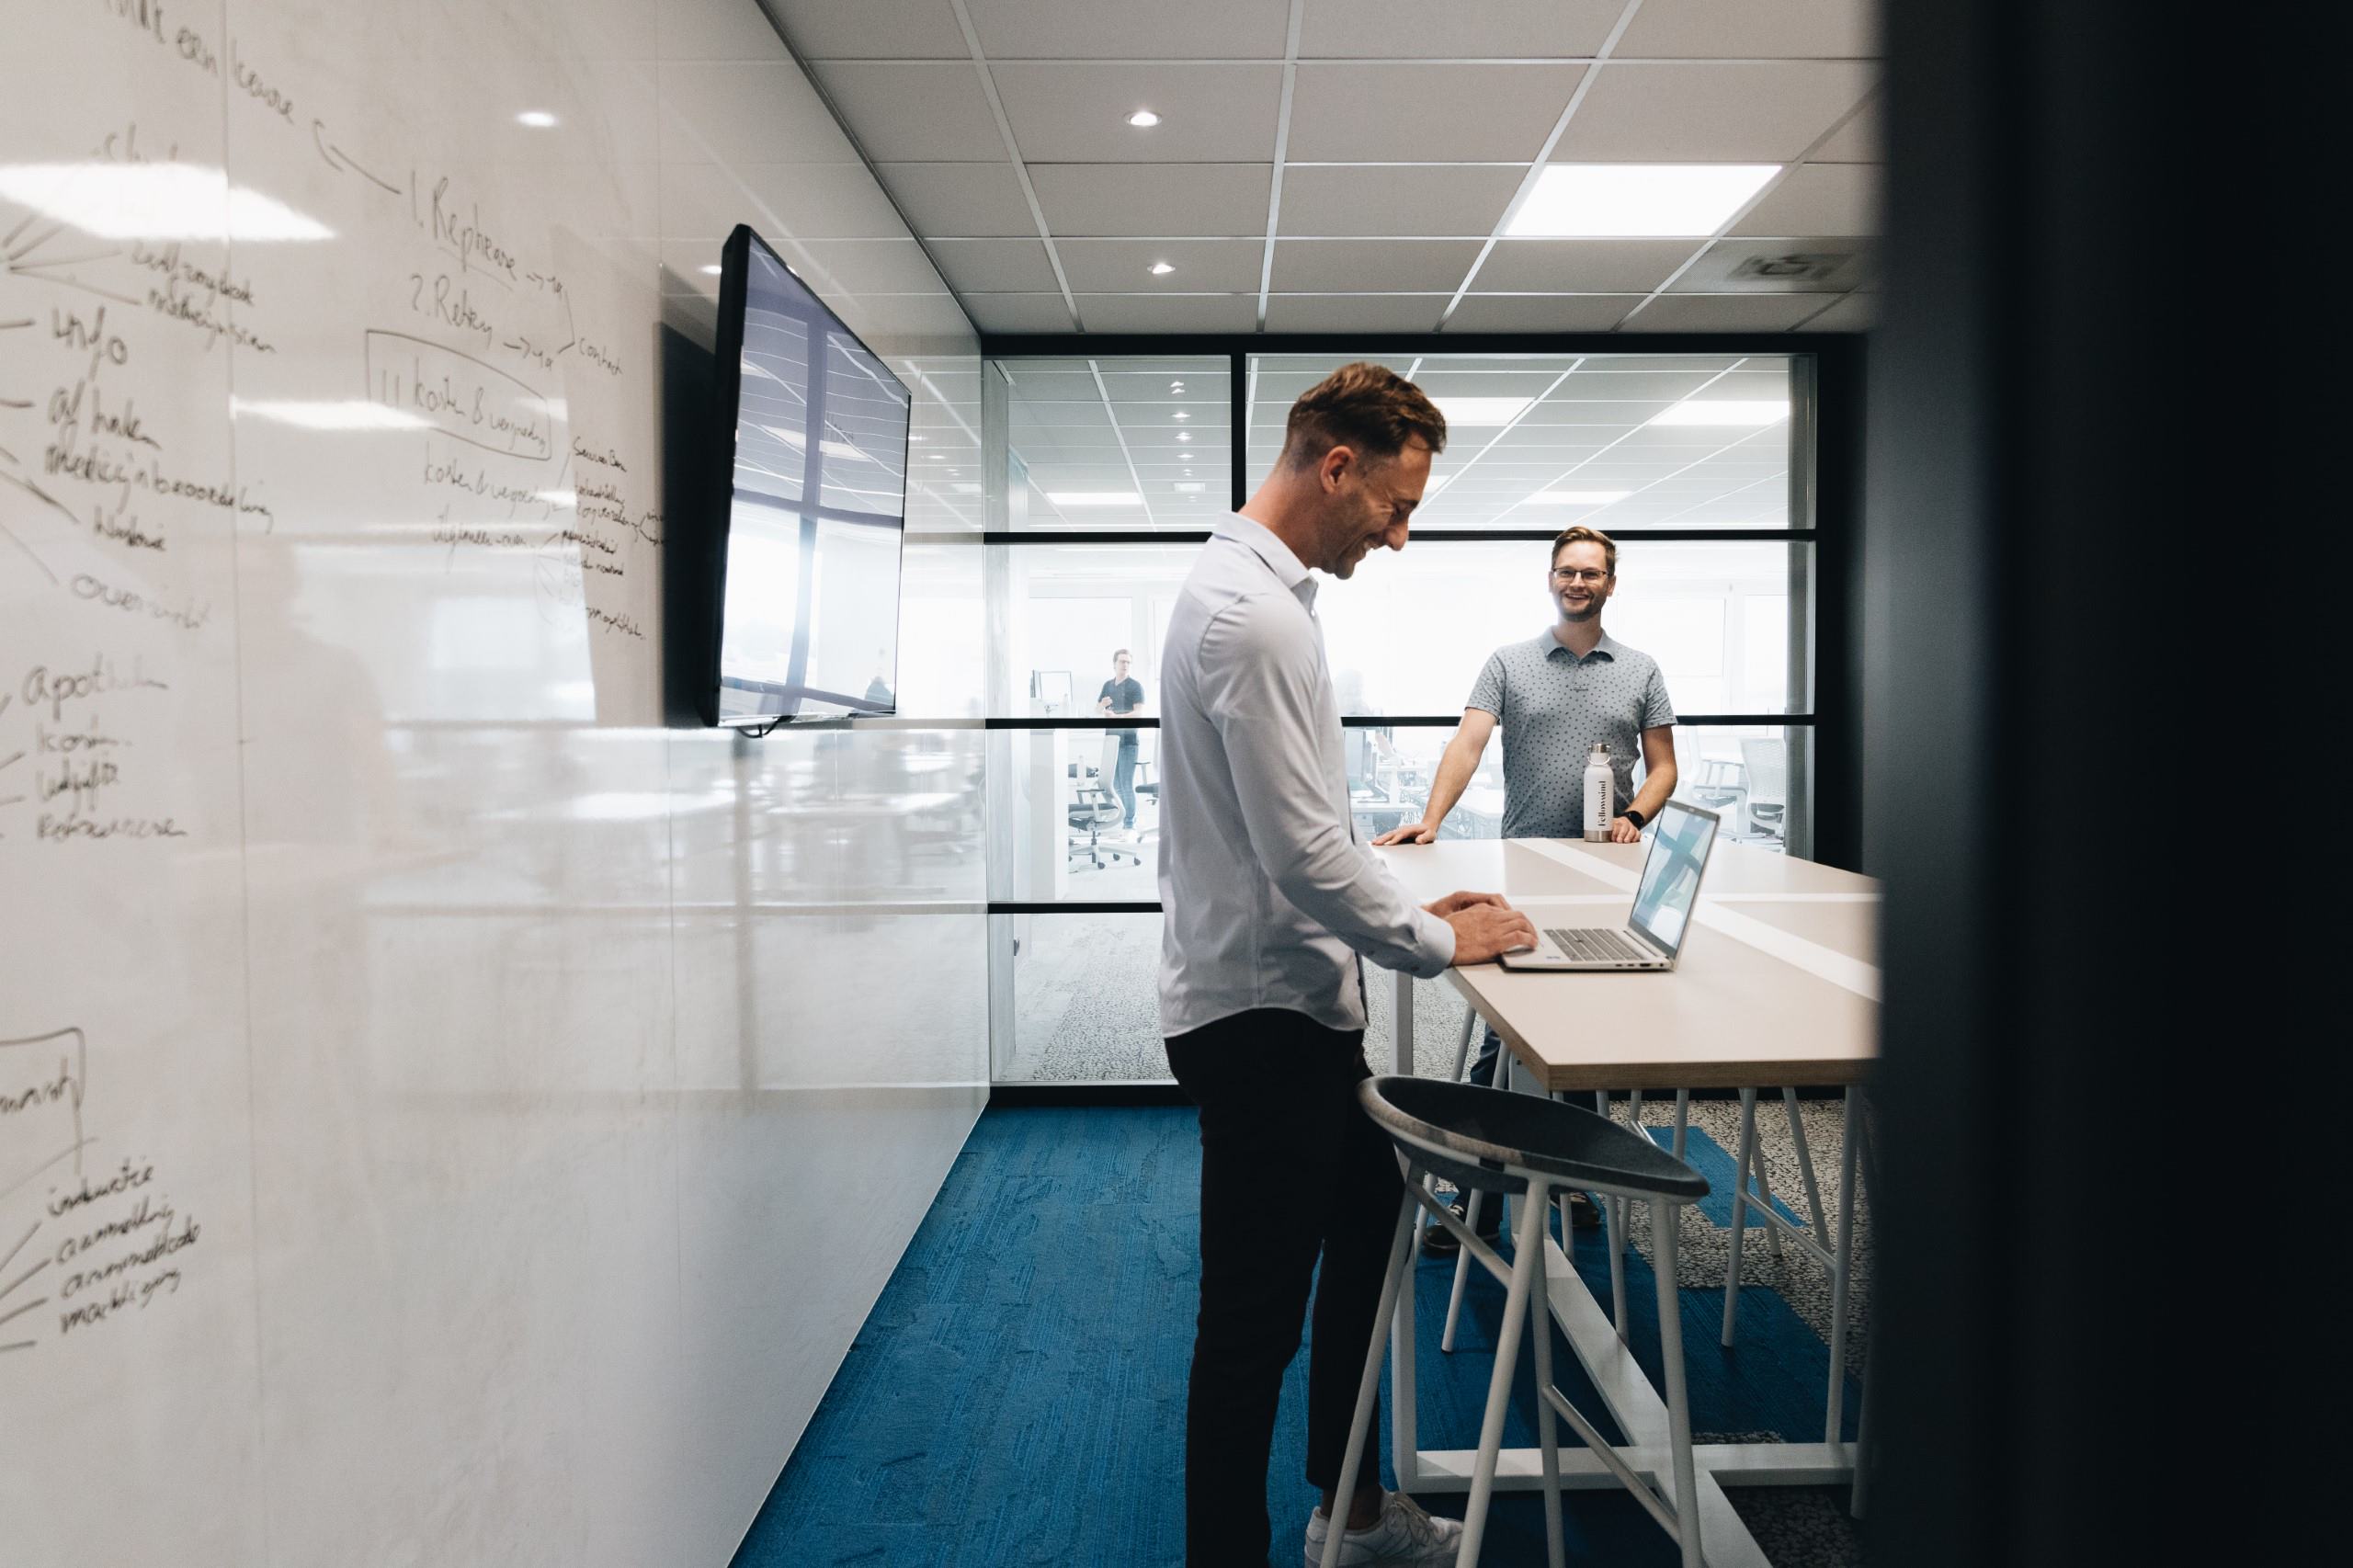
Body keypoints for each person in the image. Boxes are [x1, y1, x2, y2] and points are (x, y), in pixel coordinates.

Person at [1157, 362, 1539, 1568]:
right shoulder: (1256, 618)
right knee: (1249, 1328)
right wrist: (1437, 938)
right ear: (1338, 464)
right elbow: (1306, 853)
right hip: (1263, 1015)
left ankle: (1356, 1509)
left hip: (1283, 1001)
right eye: (1397, 502)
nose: (1401, 533)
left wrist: (1422, 892)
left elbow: (1309, 824)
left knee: (1369, 1234)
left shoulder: (1258, 598)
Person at [1373, 522, 1677, 1252]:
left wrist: (1635, 814)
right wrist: (1430, 821)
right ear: (1550, 578)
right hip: (1526, 869)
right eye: (1567, 571)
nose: (1579, 583)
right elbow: (1468, 742)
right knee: (1506, 1033)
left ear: (1611, 583)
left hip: (1610, 875)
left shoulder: (1641, 670)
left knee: (1583, 1030)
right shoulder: (1508, 663)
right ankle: (1485, 1194)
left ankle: (1560, 1177)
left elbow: (1665, 766)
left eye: (1592, 573)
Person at [1096, 648, 1144, 830]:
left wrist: (1119, 718)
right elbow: (1097, 710)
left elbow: (1139, 712)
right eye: (1122, 662)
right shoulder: (1108, 685)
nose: (1125, 665)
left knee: (1126, 784)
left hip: (1128, 741)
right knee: (1113, 784)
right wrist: (1103, 706)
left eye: (1128, 662)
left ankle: (1129, 823)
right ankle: (1121, 819)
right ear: (1114, 664)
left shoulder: (1135, 686)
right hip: (1111, 740)